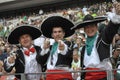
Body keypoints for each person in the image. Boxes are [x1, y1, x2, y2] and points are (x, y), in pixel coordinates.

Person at [71, 2, 120, 80]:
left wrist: (117, 14)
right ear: (84, 30)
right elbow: (84, 68)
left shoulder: (102, 39)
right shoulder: (84, 48)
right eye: (87, 27)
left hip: (103, 77)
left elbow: (110, 30)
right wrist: (79, 70)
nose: (89, 29)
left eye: (92, 26)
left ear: (96, 27)